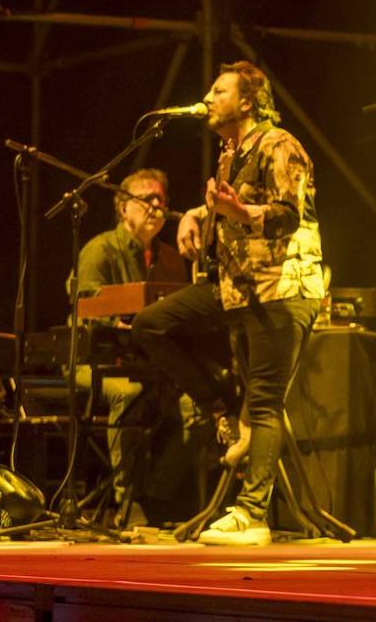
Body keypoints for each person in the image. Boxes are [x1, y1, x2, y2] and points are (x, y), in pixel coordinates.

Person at [132, 60, 325, 546]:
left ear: (247, 101)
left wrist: (237, 211)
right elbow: (223, 204)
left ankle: (252, 514)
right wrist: (196, 215)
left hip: (281, 288)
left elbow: (287, 214)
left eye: (219, 91)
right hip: (237, 288)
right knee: (152, 325)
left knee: (264, 402)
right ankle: (221, 410)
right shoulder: (229, 153)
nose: (209, 98)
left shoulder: (279, 145)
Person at [71, 168, 188, 527]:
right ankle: (128, 501)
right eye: (146, 198)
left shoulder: (170, 257)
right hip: (95, 364)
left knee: (198, 403)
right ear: (124, 208)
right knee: (130, 393)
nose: (157, 205)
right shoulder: (100, 249)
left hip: (151, 363)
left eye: (161, 200)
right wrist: (121, 324)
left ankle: (158, 496)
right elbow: (85, 304)